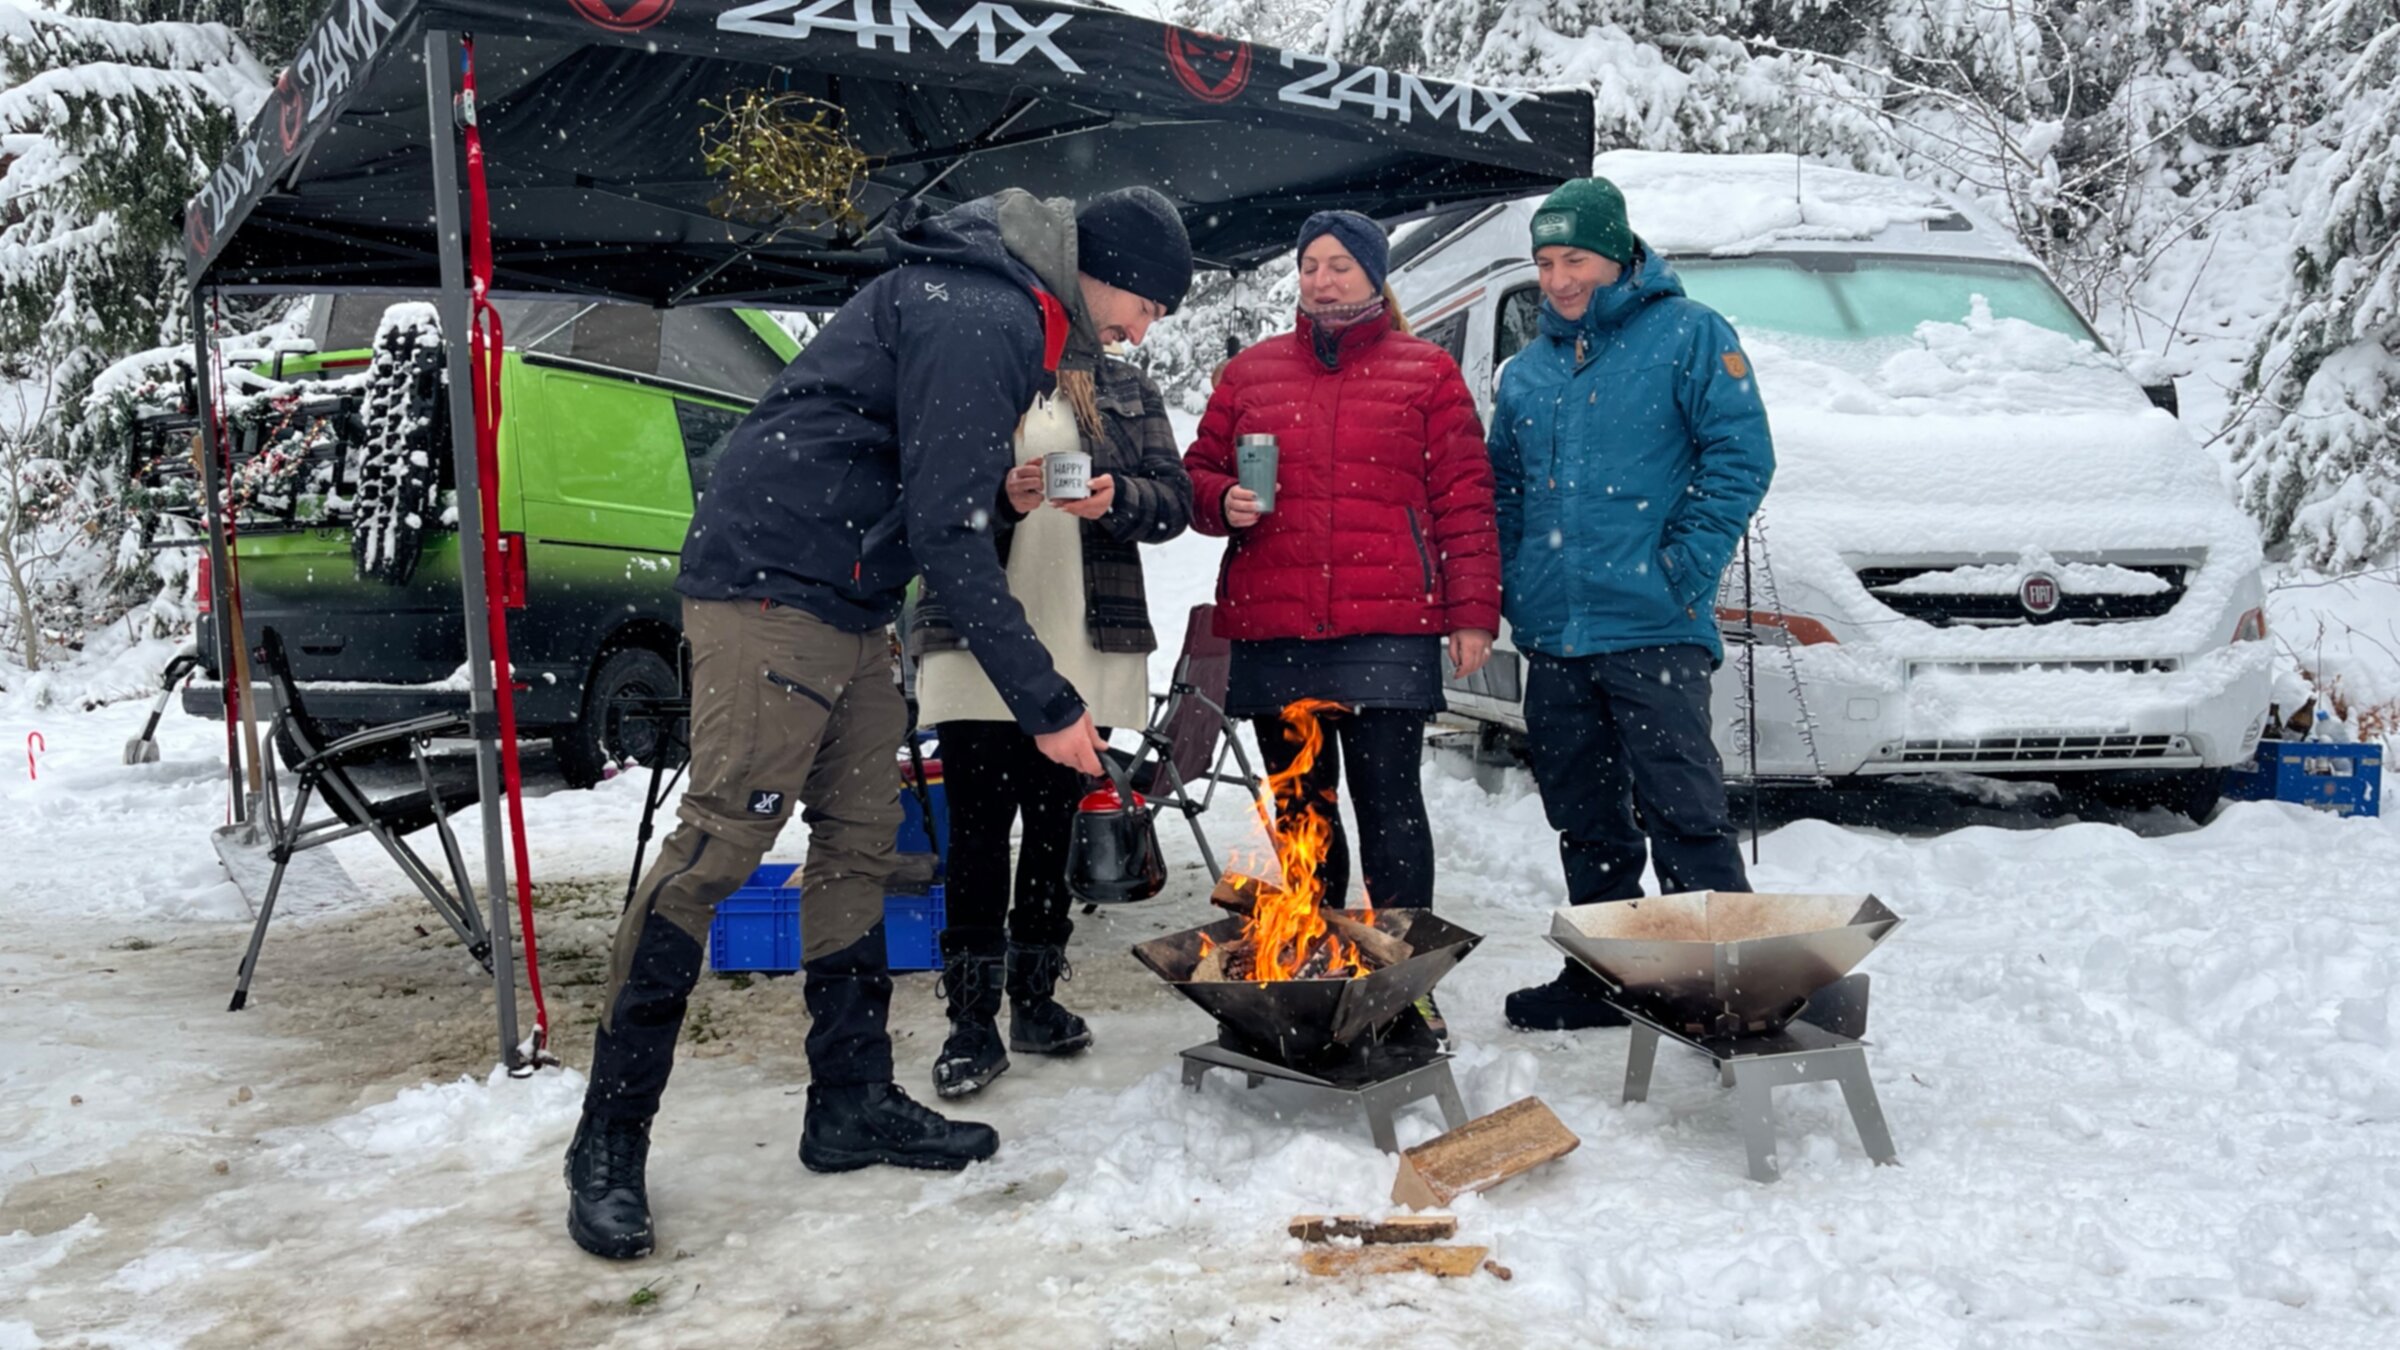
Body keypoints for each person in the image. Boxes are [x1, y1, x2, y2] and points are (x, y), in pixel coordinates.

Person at [563, 187, 1193, 1261]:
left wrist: (1001, 494)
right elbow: (950, 535)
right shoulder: (981, 310)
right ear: (1106, 272)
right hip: (774, 582)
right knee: (720, 846)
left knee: (859, 845)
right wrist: (1047, 704)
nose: (1147, 329)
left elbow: (933, 486)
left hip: (851, 596)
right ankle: (608, 1136)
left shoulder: (1010, 313)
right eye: (1149, 304)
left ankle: (848, 1100)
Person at [1184, 210, 1499, 1035]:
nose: (1322, 280)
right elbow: (1196, 479)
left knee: (1391, 805)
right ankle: (1317, 963)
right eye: (1309, 264)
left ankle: (1403, 981)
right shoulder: (1250, 373)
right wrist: (1222, 499)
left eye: (1340, 266)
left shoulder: (1426, 372)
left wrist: (1472, 613)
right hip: (1276, 623)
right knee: (1302, 813)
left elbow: (1464, 500)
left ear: (1372, 275)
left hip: (1389, 625)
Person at [1489, 177, 1775, 1032]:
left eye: (1574, 257)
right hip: (1557, 633)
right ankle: (1605, 975)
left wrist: (1683, 567)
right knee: (1585, 820)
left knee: (1683, 810)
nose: (1559, 277)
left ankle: (1728, 985)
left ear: (1618, 253)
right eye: (1545, 262)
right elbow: (1504, 486)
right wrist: (1516, 576)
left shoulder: (1690, 336)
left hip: (1652, 626)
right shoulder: (1528, 371)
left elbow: (1740, 456)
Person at [911, 326, 1193, 1098]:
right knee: (974, 828)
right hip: (975, 631)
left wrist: (1118, 497)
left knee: (1053, 824)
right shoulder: (974, 367)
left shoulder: (1125, 384)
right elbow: (925, 494)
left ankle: (1034, 999)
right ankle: (971, 1021)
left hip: (1085, 630)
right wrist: (1001, 497)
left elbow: (1176, 501)